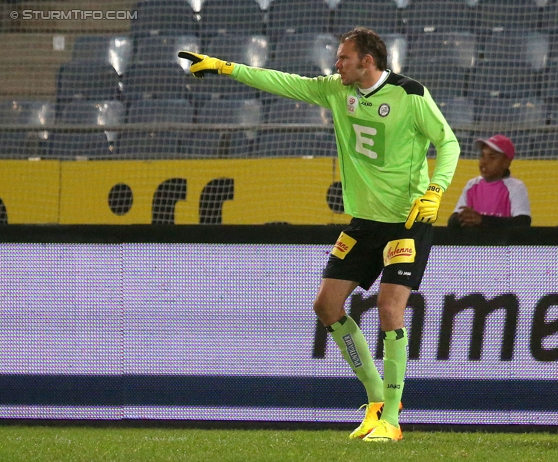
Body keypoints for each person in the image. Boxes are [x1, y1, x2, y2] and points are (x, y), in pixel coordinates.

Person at [179, 27, 460, 442]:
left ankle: (393, 421)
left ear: (368, 61)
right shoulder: (335, 90)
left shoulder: (411, 94)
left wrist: (435, 191)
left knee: (389, 309)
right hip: (365, 222)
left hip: (408, 219)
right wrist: (227, 68)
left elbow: (448, 142)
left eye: (344, 57)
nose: (336, 63)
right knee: (327, 305)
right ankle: (376, 401)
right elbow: (284, 82)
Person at [448, 134, 531, 228]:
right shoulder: (472, 185)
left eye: (492, 157)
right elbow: (452, 221)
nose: (483, 162)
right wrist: (461, 219)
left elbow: (522, 222)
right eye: (482, 156)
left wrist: (482, 220)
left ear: (506, 163)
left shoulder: (516, 187)